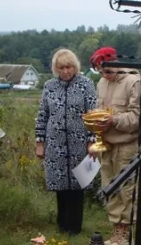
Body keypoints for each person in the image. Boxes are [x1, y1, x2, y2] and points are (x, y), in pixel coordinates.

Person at [35, 49, 97, 235]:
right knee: (60, 185)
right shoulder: (49, 86)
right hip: (55, 143)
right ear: (56, 68)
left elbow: (93, 115)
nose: (65, 71)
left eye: (69, 67)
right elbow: (42, 115)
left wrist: (91, 140)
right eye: (61, 67)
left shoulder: (86, 84)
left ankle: (74, 227)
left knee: (78, 185)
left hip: (79, 142)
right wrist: (40, 142)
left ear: (75, 66)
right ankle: (62, 225)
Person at [89, 46, 141, 245]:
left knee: (127, 191)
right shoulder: (102, 83)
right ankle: (116, 230)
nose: (103, 74)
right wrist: (94, 121)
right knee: (109, 187)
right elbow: (100, 109)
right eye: (100, 71)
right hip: (107, 145)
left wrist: (113, 119)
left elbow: (137, 118)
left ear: (114, 62)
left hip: (126, 145)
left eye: (105, 69)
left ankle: (127, 234)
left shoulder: (133, 81)